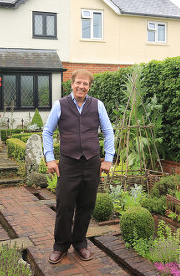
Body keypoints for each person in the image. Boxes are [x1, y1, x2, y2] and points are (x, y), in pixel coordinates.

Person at [42, 69, 114, 264]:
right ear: (71, 84)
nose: (82, 86)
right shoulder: (60, 105)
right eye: (78, 83)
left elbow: (108, 132)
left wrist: (108, 158)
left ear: (89, 87)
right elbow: (47, 132)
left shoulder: (98, 105)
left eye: (86, 84)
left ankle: (80, 243)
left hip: (92, 163)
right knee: (64, 205)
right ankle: (60, 246)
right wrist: (50, 158)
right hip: (68, 162)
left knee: (87, 204)